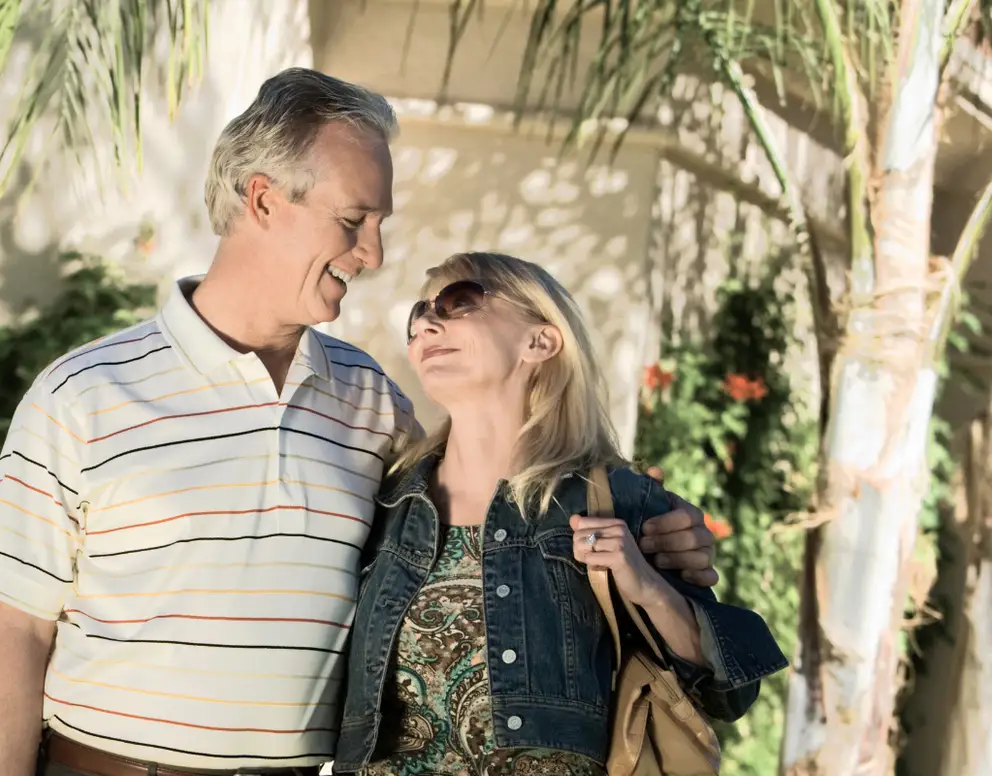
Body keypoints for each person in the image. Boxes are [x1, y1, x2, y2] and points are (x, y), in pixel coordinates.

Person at [0, 68, 722, 776]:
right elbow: (13, 633)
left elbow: (487, 508)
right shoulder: (84, 392)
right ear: (262, 201)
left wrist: (664, 537)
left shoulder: (370, 401)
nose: (374, 254)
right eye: (354, 220)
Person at [330, 252, 788, 774]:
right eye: (420, 315)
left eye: (460, 302)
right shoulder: (384, 500)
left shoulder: (614, 500)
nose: (428, 324)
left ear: (540, 341)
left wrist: (647, 589)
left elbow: (728, 693)